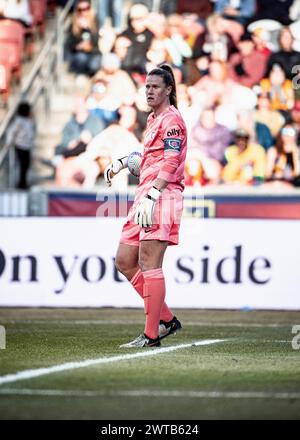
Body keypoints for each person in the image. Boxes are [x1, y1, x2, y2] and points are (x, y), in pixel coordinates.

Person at [104, 64, 187, 348]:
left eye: (155, 86)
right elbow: (151, 157)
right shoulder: (153, 119)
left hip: (161, 197)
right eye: (147, 86)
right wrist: (125, 161)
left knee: (149, 263)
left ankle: (151, 335)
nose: (149, 91)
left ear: (168, 90)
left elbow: (172, 160)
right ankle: (166, 319)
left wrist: (153, 194)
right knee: (124, 260)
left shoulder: (172, 120)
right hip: (145, 195)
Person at [5, 101, 35, 189]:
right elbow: (11, 132)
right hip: (20, 146)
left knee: (26, 165)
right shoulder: (19, 121)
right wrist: (9, 142)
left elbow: (31, 133)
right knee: (21, 165)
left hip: (27, 146)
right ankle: (21, 183)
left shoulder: (29, 121)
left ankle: (24, 182)